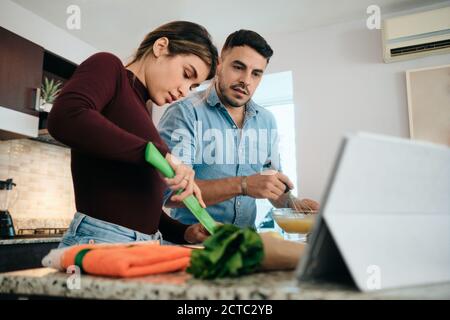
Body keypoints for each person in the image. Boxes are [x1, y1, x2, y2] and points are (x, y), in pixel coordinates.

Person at [48, 21, 218, 248]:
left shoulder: (143, 111)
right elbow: (66, 116)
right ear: (161, 46)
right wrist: (158, 154)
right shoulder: (109, 66)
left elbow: (136, 207)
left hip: (143, 244)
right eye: (187, 74)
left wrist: (185, 232)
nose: (184, 92)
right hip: (103, 241)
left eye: (193, 87)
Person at [158, 30, 319, 228]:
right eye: (238, 67)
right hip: (193, 247)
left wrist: (295, 205)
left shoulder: (267, 121)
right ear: (219, 64)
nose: (246, 80)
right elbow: (170, 194)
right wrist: (243, 185)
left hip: (246, 247)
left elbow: (270, 185)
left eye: (256, 73)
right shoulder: (185, 113)